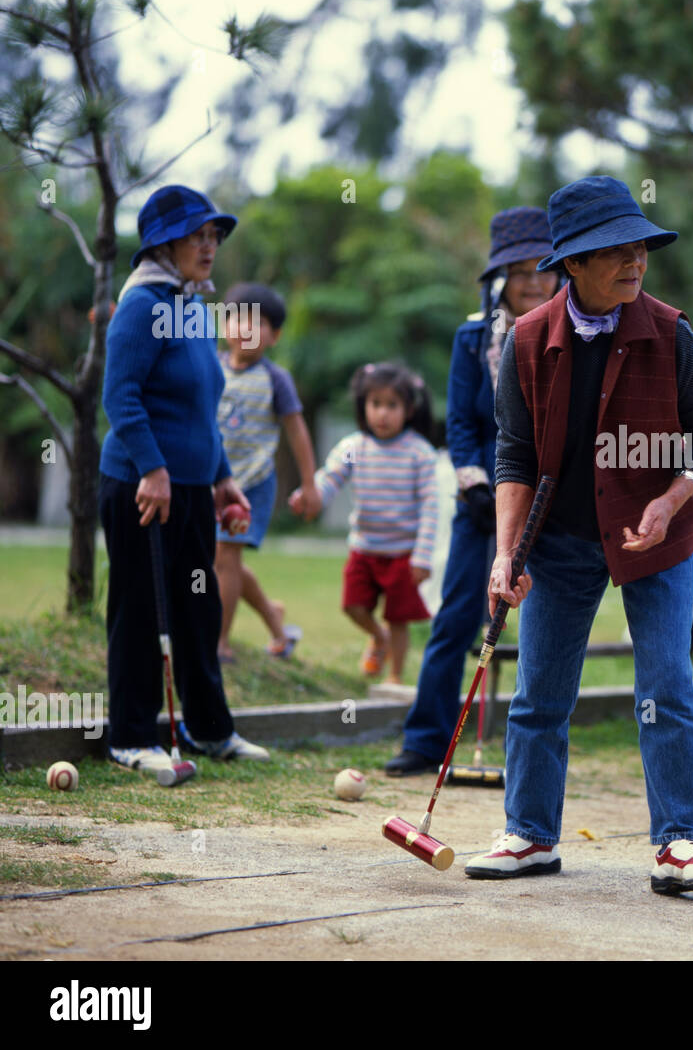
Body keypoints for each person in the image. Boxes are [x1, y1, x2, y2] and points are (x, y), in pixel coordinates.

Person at [463, 175, 693, 896]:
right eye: (615, 250)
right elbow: (514, 455)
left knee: (667, 687)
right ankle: (529, 835)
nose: (635, 260)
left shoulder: (672, 333)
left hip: (657, 539)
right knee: (539, 693)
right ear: (572, 264)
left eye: (640, 245)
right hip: (561, 540)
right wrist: (505, 553)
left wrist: (674, 497)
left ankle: (681, 844)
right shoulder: (526, 341)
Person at [100, 184, 270, 775]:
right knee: (141, 611)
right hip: (142, 490)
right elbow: (119, 397)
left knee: (198, 609)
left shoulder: (193, 308)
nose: (210, 245)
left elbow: (203, 406)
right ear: (163, 245)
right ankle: (129, 737)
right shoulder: (142, 307)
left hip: (194, 491)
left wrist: (221, 478)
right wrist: (152, 469)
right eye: (198, 235)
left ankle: (208, 728)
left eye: (213, 235)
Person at [386, 207, 560, 776]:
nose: (533, 280)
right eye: (519, 270)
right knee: (457, 615)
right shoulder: (470, 339)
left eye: (542, 267)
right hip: (483, 499)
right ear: (499, 278)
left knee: (544, 620)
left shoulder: (574, 333)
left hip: (555, 502)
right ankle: (425, 739)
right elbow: (461, 422)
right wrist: (475, 483)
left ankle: (534, 750)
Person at [292, 362, 440, 686]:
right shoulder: (353, 448)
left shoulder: (420, 454)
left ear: (409, 409)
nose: (382, 414)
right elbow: (330, 479)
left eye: (392, 405)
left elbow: (431, 507)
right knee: (353, 606)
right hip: (364, 549)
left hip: (403, 552)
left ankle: (396, 678)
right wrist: (310, 496)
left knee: (399, 618)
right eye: (375, 404)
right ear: (363, 406)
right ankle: (378, 636)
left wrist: (422, 557)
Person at [213, 282, 320, 663]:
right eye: (236, 320)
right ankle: (274, 619)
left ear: (274, 336)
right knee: (224, 559)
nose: (243, 329)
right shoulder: (209, 367)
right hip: (210, 482)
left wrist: (309, 484)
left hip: (251, 486)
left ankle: (220, 643)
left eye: (255, 324)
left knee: (224, 556)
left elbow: (297, 431)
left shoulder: (276, 379)